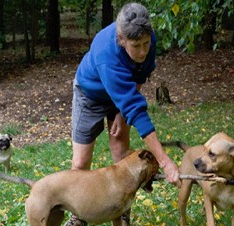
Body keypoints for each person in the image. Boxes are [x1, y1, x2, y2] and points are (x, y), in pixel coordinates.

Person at [65, 2, 180, 226]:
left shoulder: (148, 38)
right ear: (121, 40)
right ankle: (78, 215)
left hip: (121, 94)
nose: (143, 51)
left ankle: (122, 209)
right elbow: (137, 111)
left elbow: (139, 75)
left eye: (146, 44)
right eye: (136, 46)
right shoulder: (107, 53)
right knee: (80, 163)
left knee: (121, 153)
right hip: (90, 94)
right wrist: (165, 162)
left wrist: (120, 111)